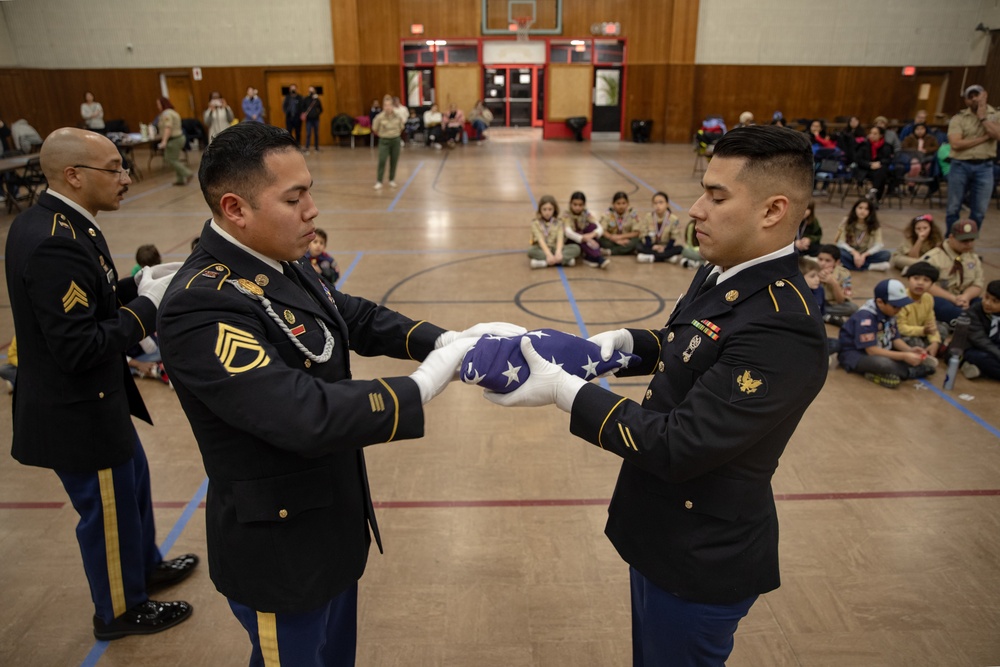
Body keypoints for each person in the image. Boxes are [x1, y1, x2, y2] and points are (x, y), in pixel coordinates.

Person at [156, 122, 520, 665]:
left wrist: (445, 340)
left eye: (310, 191)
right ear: (235, 208)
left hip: (328, 528)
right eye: (294, 197)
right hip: (281, 554)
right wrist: (424, 385)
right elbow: (300, 412)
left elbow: (350, 315)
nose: (312, 210)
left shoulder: (276, 258)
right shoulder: (201, 304)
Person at [488, 125, 828, 665]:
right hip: (662, 531)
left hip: (702, 555)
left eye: (716, 196)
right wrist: (614, 348)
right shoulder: (724, 271)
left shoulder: (783, 327)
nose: (696, 208)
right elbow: (687, 346)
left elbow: (679, 444)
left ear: (772, 211)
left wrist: (565, 392)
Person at [4, 127, 195, 641]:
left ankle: (144, 568)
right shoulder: (53, 243)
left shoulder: (69, 224)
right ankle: (119, 609)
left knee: (132, 488)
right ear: (73, 175)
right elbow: (79, 345)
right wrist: (147, 312)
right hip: (78, 411)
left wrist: (141, 284)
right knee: (107, 513)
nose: (125, 177)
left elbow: (95, 295)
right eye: (113, 168)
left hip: (100, 402)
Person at [837, 279, 937, 388]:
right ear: (880, 302)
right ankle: (907, 372)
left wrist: (909, 350)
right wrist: (904, 356)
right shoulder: (866, 318)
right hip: (857, 355)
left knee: (907, 349)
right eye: (895, 306)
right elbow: (871, 350)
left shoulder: (890, 313)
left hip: (881, 348)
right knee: (884, 364)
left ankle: (899, 368)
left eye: (901, 305)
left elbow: (895, 338)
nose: (899, 309)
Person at [946, 85, 1000, 235]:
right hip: (960, 165)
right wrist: (984, 137)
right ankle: (950, 241)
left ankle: (966, 242)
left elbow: (997, 135)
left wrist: (983, 117)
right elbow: (956, 144)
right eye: (970, 96)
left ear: (985, 95)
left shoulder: (996, 115)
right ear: (966, 101)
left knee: (979, 210)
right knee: (953, 208)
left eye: (977, 95)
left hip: (985, 167)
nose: (974, 98)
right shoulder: (959, 118)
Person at [920, 219, 984, 324]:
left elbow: (978, 283)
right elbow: (926, 285)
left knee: (989, 307)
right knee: (953, 312)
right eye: (964, 241)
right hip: (942, 299)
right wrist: (953, 298)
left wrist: (965, 297)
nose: (968, 244)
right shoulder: (933, 258)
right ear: (951, 238)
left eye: (971, 240)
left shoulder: (973, 258)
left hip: (965, 299)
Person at [896, 261, 942, 359]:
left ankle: (932, 349)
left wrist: (935, 342)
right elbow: (900, 328)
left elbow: (931, 322)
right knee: (914, 343)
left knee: (942, 329)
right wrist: (923, 331)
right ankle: (927, 354)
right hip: (904, 335)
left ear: (932, 284)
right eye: (916, 278)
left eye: (926, 280)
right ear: (908, 279)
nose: (920, 283)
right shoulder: (901, 298)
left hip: (920, 331)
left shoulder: (928, 298)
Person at [636, 190, 690, 265]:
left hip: (666, 247)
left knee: (680, 248)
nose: (658, 205)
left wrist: (665, 248)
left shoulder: (673, 219)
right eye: (655, 203)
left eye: (661, 202)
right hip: (652, 246)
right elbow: (644, 234)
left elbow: (674, 237)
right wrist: (652, 246)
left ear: (667, 204)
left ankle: (652, 257)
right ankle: (667, 257)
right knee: (639, 246)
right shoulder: (648, 217)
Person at [835, 199, 890, 271]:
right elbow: (840, 243)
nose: (862, 211)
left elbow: (879, 244)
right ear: (855, 209)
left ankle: (851, 265)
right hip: (849, 252)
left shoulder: (874, 225)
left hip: (864, 254)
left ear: (870, 212)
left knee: (886, 254)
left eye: (866, 209)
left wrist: (865, 255)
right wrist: (854, 253)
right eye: (860, 208)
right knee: (839, 252)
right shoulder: (847, 221)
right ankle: (870, 266)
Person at [961, 280, 1000, 380]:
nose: (987, 303)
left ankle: (977, 369)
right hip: (975, 348)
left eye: (995, 301)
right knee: (982, 359)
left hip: (995, 348)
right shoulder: (973, 312)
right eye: (986, 297)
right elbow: (980, 340)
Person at [528, 194, 579, 269]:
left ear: (554, 209)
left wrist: (558, 252)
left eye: (550, 209)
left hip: (555, 248)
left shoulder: (559, 222)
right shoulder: (535, 223)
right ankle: (564, 261)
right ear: (540, 210)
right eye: (544, 209)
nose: (547, 212)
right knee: (531, 251)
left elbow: (560, 238)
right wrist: (548, 254)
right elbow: (540, 240)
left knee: (576, 248)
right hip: (542, 249)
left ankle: (544, 263)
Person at [560, 191, 608, 269]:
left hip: (585, 237)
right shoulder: (566, 215)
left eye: (580, 205)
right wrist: (583, 238)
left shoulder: (585, 213)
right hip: (572, 240)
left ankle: (589, 256)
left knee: (593, 226)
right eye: (575, 204)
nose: (577, 208)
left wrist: (591, 235)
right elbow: (568, 233)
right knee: (580, 238)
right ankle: (597, 257)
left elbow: (599, 227)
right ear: (570, 204)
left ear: (584, 205)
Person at [816, 244, 858, 326]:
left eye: (828, 261)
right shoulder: (813, 269)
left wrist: (833, 282)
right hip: (816, 302)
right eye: (820, 259)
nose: (822, 263)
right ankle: (826, 316)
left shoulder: (844, 274)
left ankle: (823, 315)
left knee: (853, 308)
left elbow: (840, 301)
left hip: (832, 305)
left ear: (837, 262)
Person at [156, 97, 193, 186]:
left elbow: (168, 128)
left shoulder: (166, 114)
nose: (157, 106)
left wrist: (164, 141)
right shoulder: (173, 112)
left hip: (174, 139)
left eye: (158, 104)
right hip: (179, 137)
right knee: (175, 159)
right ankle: (180, 179)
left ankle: (187, 173)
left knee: (170, 159)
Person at [372, 94, 404, 190]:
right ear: (383, 106)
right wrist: (383, 135)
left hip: (395, 140)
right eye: (386, 105)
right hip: (384, 141)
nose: (388, 107)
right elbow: (375, 129)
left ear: (392, 106)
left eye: (389, 105)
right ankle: (379, 181)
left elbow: (401, 127)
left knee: (394, 161)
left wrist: (395, 134)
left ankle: (392, 180)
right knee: (382, 160)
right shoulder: (379, 117)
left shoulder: (398, 116)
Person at [856, 125, 894, 204]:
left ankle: (873, 192)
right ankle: (876, 196)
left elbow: (888, 159)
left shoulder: (887, 146)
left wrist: (879, 163)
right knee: (882, 174)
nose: (872, 135)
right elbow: (858, 160)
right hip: (866, 169)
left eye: (875, 134)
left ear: (881, 135)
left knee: (882, 170)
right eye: (871, 133)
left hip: (879, 169)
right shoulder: (864, 145)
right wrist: (870, 164)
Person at [598, 191, 642, 256]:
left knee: (637, 241)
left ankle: (610, 252)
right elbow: (602, 230)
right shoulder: (607, 214)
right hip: (612, 240)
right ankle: (625, 250)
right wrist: (615, 240)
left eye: (624, 203)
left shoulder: (632, 214)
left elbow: (637, 232)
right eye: (618, 203)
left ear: (628, 203)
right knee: (600, 239)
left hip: (627, 239)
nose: (621, 206)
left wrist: (620, 237)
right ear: (613, 204)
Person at [301, 86, 323, 153]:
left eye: (312, 90)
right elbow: (303, 108)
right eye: (309, 90)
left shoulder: (317, 100)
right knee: (308, 134)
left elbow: (321, 109)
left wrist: (317, 113)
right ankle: (307, 148)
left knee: (316, 133)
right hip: (309, 119)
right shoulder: (306, 99)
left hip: (316, 119)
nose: (311, 92)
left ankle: (316, 148)